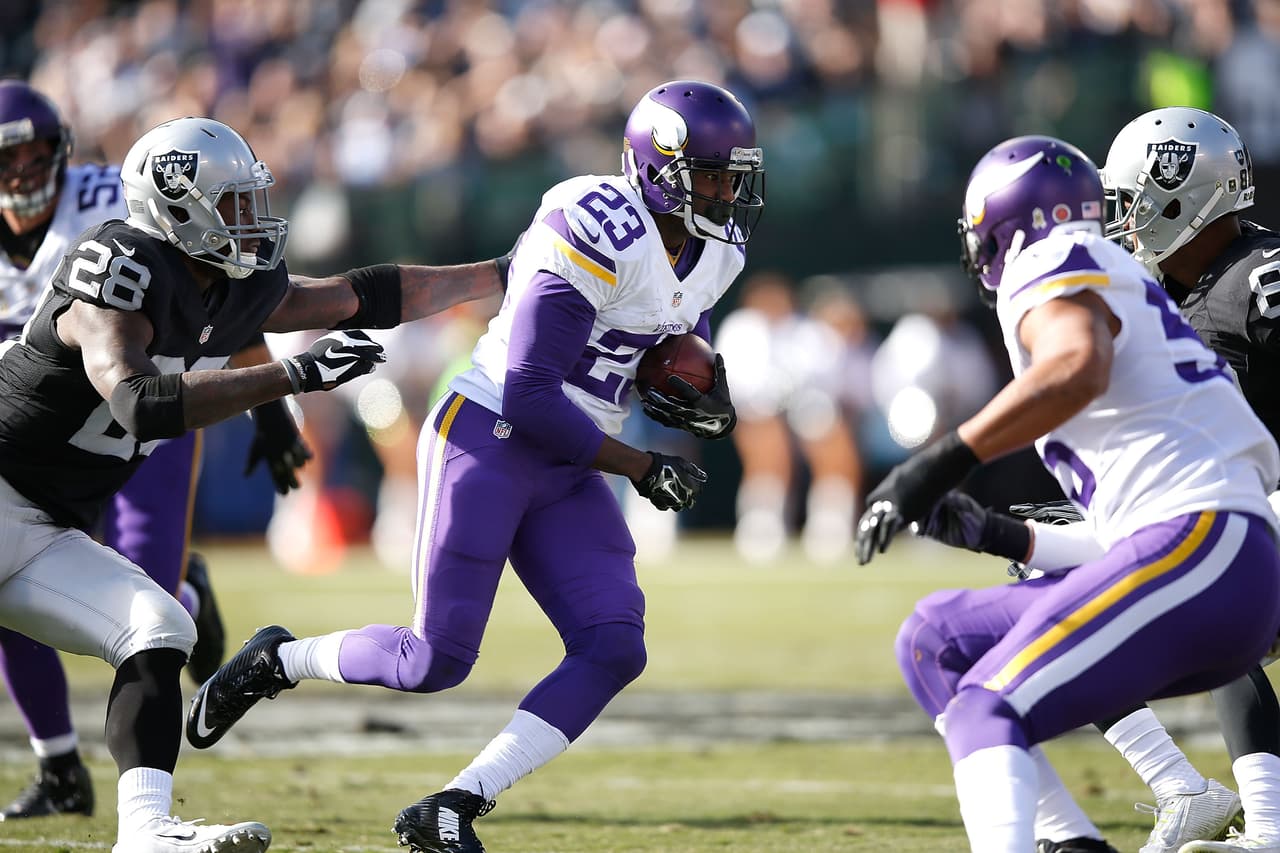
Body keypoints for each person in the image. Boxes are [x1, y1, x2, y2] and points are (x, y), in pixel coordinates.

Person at [184, 79, 764, 853]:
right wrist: (637, 463)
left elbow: (671, 336)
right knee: (434, 659)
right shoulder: (596, 223)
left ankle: (454, 802)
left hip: (570, 452)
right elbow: (527, 390)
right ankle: (279, 659)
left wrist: (686, 384)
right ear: (657, 168)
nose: (728, 193)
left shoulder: (718, 247)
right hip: (490, 433)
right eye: (713, 175)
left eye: (735, 175)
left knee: (614, 642)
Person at [0, 113, 506, 853]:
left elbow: (361, 294)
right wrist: (291, 376)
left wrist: (501, 274)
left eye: (252, 200)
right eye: (233, 203)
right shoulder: (117, 265)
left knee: (158, 625)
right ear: (177, 207)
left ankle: (145, 832)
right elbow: (139, 402)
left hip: (47, 523)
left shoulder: (230, 285)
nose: (253, 219)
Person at [855, 134, 1280, 853]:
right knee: (936, 638)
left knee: (988, 706)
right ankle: (1074, 841)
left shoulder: (1049, 256)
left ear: (1006, 223)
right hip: (1211, 557)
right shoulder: (1131, 281)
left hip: (1204, 549)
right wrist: (999, 534)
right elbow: (1139, 534)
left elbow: (1077, 365)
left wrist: (938, 463)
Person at [0, 80, 310, 823]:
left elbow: (223, 295)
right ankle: (59, 763)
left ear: (63, 152)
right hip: (36, 424)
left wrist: (270, 408)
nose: (20, 172)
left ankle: (185, 598)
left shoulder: (114, 198)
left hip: (147, 396)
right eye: (6, 159)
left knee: (149, 582)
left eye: (35, 152)